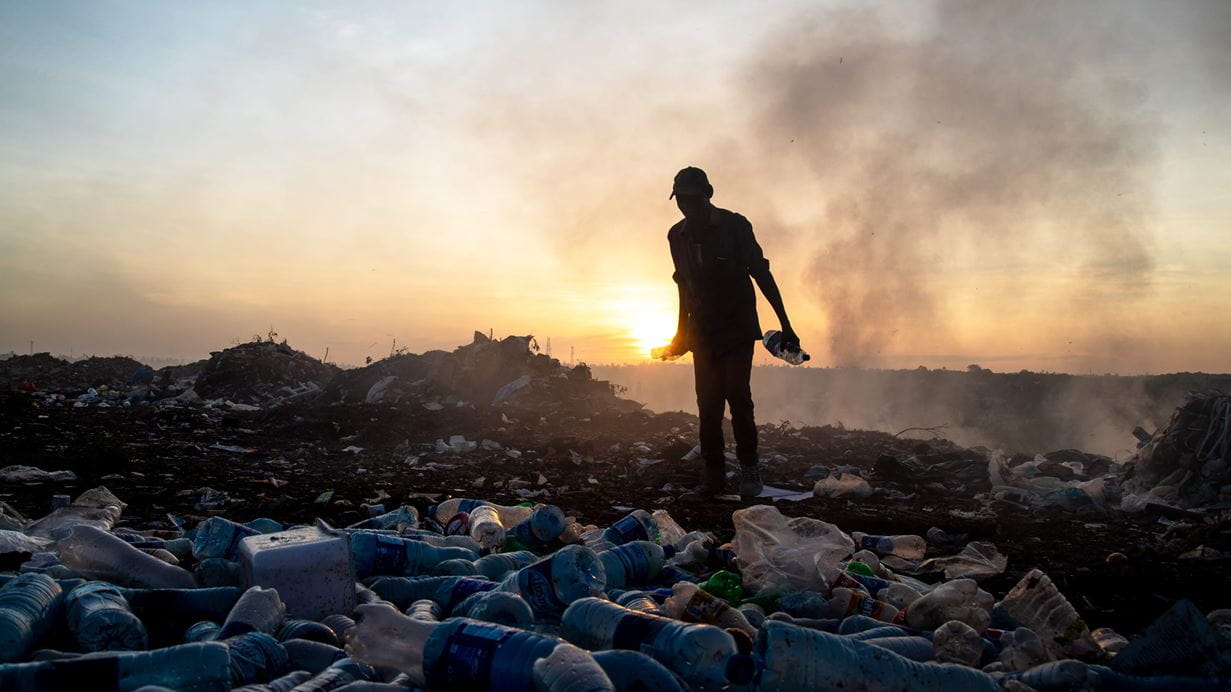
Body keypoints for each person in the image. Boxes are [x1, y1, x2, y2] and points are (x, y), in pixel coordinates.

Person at [662, 166, 800, 500]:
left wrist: (786, 325)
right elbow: (684, 287)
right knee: (707, 405)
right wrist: (680, 335)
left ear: (708, 193)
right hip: (702, 334)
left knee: (738, 397)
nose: (686, 206)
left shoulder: (735, 226)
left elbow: (762, 276)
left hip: (737, 328)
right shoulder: (675, 236)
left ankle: (750, 471)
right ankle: (713, 478)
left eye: (692, 199)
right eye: (680, 199)